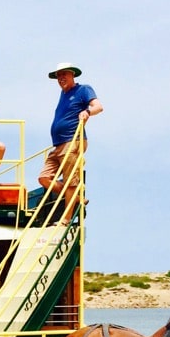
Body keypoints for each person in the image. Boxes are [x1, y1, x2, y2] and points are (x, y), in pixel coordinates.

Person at [38, 63, 102, 222]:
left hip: (72, 141)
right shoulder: (63, 94)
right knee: (44, 178)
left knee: (70, 181)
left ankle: (65, 219)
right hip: (58, 145)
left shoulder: (83, 90)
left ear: (72, 75)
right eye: (58, 76)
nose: (61, 78)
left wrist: (87, 112)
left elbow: (98, 107)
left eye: (64, 75)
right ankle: (77, 199)